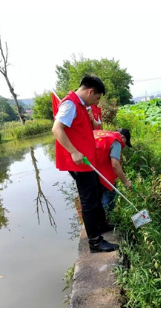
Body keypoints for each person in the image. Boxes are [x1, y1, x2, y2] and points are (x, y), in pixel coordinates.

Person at [52, 75, 119, 253]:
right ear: (90, 91)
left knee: (96, 194)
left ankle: (101, 225)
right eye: (96, 98)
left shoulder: (80, 105)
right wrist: (73, 151)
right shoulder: (70, 104)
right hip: (80, 163)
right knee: (89, 201)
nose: (95, 102)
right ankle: (95, 243)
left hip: (88, 162)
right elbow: (57, 129)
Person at [93, 128, 132, 220]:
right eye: (125, 143)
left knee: (95, 199)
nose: (124, 146)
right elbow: (115, 165)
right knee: (109, 194)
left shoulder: (101, 133)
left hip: (88, 170)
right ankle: (107, 220)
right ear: (122, 137)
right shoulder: (116, 141)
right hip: (102, 173)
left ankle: (97, 221)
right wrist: (126, 182)